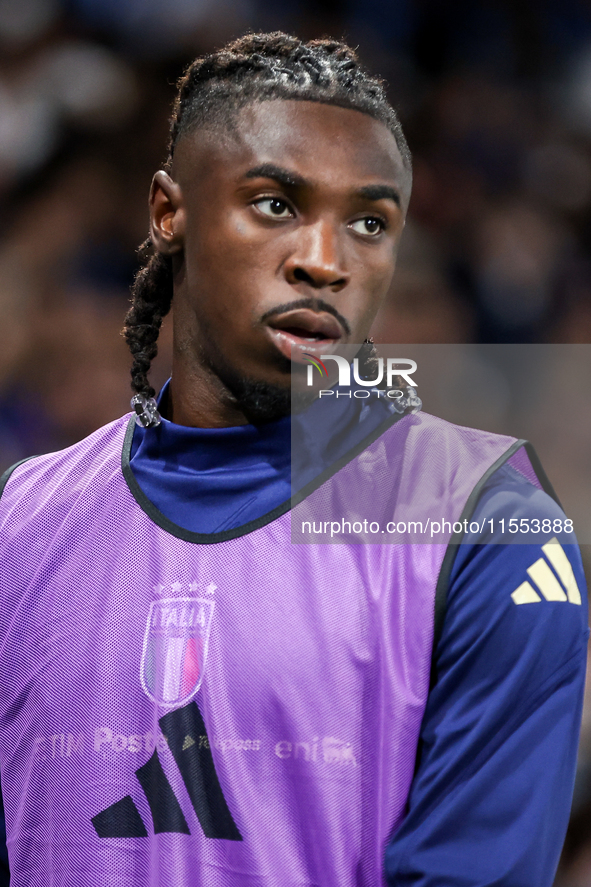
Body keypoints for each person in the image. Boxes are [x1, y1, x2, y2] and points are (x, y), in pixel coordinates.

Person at [0, 32, 587, 887]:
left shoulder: (491, 533)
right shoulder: (22, 519)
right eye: (275, 203)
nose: (325, 260)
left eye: (369, 222)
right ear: (169, 213)